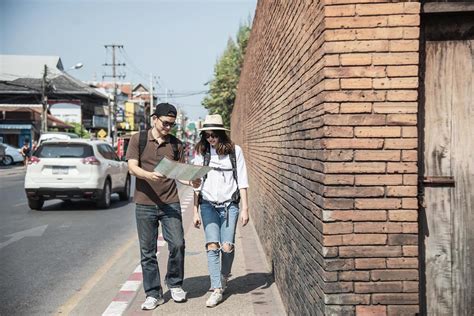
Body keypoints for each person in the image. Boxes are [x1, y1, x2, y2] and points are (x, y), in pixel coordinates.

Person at [126, 102, 200, 310]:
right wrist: (149, 175)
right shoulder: (138, 139)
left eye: (172, 124)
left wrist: (191, 180)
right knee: (147, 251)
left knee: (177, 243)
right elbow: (132, 168)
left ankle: (175, 284)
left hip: (170, 202)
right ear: (155, 119)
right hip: (144, 203)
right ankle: (153, 293)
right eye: (166, 123)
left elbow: (179, 174)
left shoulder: (176, 144)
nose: (168, 127)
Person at [192, 114, 250, 308]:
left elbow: (242, 179)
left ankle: (224, 276)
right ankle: (216, 288)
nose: (210, 138)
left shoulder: (235, 151)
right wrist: (194, 211)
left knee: (227, 246)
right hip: (208, 204)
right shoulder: (202, 152)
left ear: (221, 134)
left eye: (214, 134)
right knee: (212, 246)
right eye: (207, 135)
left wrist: (245, 208)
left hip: (230, 205)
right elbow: (196, 183)